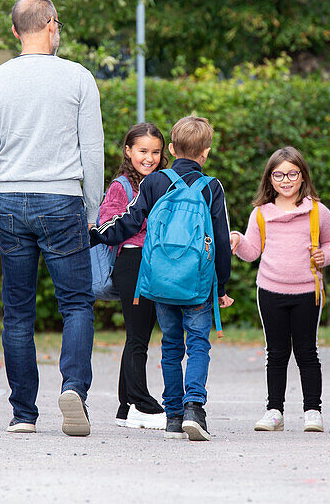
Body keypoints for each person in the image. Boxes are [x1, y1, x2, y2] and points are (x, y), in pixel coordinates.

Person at [0, 0, 104, 437]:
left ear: (14, 31)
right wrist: (92, 209)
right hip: (62, 201)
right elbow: (94, 152)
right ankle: (74, 389)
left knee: (18, 313)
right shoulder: (78, 78)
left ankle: (23, 413)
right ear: (51, 25)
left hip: (10, 203)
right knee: (77, 303)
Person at [90, 115, 234, 442]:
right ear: (206, 152)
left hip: (159, 280)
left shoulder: (154, 182)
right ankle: (195, 407)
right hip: (197, 283)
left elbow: (127, 223)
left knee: (170, 345)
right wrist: (220, 286)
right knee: (198, 343)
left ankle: (173, 417)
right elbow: (221, 242)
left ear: (170, 148)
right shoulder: (212, 187)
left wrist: (97, 236)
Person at [228, 146, 330, 434]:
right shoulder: (261, 214)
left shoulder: (318, 211)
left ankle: (313, 411)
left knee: (307, 352)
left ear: (303, 177)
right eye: (279, 174)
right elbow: (252, 252)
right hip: (270, 291)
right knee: (276, 353)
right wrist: (238, 240)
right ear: (269, 179)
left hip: (307, 292)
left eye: (292, 173)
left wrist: (325, 257)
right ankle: (274, 411)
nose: (286, 180)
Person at [97, 122, 168, 430]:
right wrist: (142, 225)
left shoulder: (166, 182)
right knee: (138, 335)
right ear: (128, 151)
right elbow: (106, 224)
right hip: (132, 261)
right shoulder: (122, 186)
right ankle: (141, 402)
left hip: (156, 262)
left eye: (155, 151)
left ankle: (126, 406)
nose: (149, 158)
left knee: (138, 335)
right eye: (142, 151)